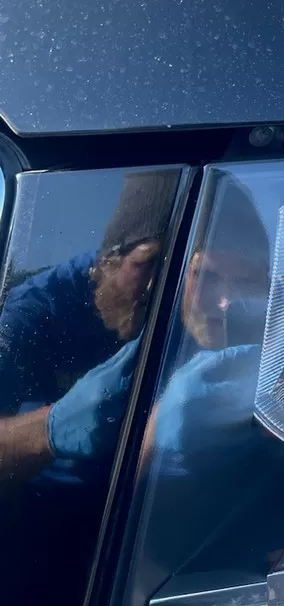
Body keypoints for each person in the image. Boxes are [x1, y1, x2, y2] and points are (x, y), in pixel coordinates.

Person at [0, 171, 180, 495]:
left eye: (173, 267)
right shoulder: (23, 317)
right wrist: (52, 427)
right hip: (42, 507)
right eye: (148, 262)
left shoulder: (182, 297)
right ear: (109, 258)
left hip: (139, 495)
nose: (158, 286)